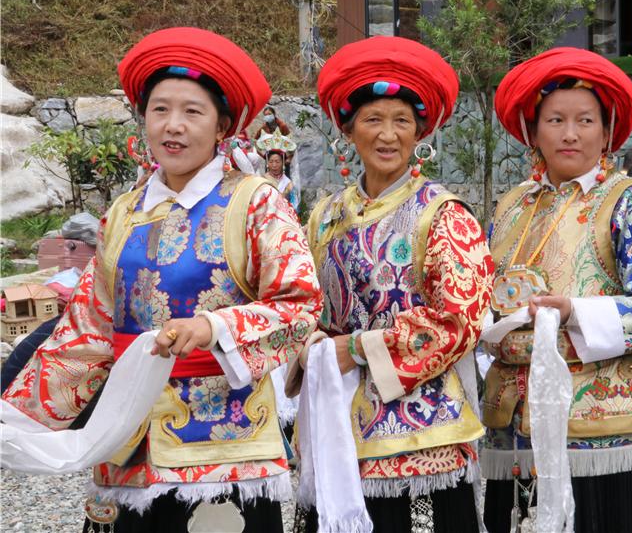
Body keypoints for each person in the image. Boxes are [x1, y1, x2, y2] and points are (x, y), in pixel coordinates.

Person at [1, 27, 323, 532]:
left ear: (222, 127)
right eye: (160, 110)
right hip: (129, 440)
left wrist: (214, 329)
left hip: (223, 445)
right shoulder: (125, 212)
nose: (173, 126)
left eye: (192, 112)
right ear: (144, 120)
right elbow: (87, 330)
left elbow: (300, 307)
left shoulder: (256, 201)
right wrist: (15, 420)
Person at [289, 36, 494, 533]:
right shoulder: (324, 216)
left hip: (422, 435)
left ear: (419, 131)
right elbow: (302, 303)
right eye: (372, 120)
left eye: (401, 121)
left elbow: (461, 318)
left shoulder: (441, 213)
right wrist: (309, 343)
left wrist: (357, 348)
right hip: (337, 425)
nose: (387, 135)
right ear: (348, 130)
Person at [482, 47, 632, 533]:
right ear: (533, 130)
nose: (570, 134)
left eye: (584, 120)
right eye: (554, 119)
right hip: (516, 418)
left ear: (608, 130)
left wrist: (574, 311)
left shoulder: (628, 202)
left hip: (602, 421)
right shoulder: (513, 206)